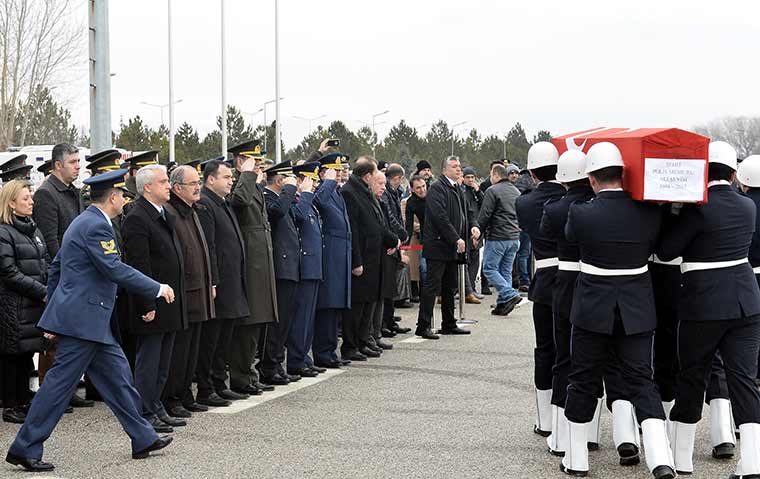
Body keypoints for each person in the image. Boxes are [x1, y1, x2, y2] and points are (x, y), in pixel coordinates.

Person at [6, 169, 176, 472]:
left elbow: (57, 268)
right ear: (113, 197)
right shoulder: (97, 226)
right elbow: (114, 269)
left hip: (87, 320)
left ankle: (142, 437)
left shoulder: (84, 222)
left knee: (119, 379)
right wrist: (156, 287)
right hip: (84, 322)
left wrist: (55, 312)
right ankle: (25, 447)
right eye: (122, 195)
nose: (125, 200)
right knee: (58, 387)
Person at [561, 142, 674, 479]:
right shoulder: (650, 211)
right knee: (642, 381)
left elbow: (569, 238)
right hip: (637, 307)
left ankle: (577, 459)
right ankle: (660, 459)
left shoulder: (581, 212)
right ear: (623, 174)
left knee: (583, 379)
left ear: (592, 179)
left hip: (592, 308)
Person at [658, 141, 760, 478]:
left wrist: (672, 212)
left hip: (702, 304)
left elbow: (668, 250)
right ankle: (754, 463)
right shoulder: (747, 205)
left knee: (692, 376)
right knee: (744, 380)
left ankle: (683, 459)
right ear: (733, 174)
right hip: (746, 302)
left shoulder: (695, 209)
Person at [122, 164, 187, 430]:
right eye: (163, 182)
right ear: (147, 187)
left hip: (169, 299)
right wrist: (147, 302)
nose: (168, 186)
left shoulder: (161, 213)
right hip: (152, 301)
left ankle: (156, 405)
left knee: (163, 362)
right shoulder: (138, 217)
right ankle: (145, 412)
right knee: (149, 362)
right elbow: (139, 265)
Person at [31, 143, 90, 408]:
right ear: (58, 165)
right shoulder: (47, 194)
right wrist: (67, 271)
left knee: (70, 336)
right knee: (54, 336)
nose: (78, 166)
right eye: (73, 162)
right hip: (62, 274)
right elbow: (50, 239)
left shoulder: (73, 191)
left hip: (76, 272)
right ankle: (50, 392)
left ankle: (65, 389)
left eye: (78, 161)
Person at [516, 142, 566, 437]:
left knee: (545, 348)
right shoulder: (570, 197)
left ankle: (546, 420)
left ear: (532, 172)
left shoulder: (525, 202)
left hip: (547, 278)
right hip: (577, 278)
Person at [196, 160, 254, 400]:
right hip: (219, 284)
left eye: (232, 177)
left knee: (224, 338)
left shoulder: (222, 202)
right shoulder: (205, 204)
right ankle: (206, 388)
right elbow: (209, 246)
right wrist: (213, 282)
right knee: (212, 338)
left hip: (232, 281)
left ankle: (219, 383)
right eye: (227, 177)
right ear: (211, 179)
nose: (231, 180)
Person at [162, 166, 217, 411]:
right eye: (193, 183)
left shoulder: (192, 210)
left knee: (193, 348)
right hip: (184, 292)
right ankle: (172, 398)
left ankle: (185, 395)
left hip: (199, 291)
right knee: (180, 350)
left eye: (199, 182)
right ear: (177, 188)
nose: (198, 187)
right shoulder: (171, 211)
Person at [228, 140, 277, 395]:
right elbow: (239, 202)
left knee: (259, 323)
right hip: (250, 264)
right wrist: (246, 173)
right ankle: (241, 376)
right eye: (252, 161)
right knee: (248, 324)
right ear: (240, 161)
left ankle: (251, 373)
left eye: (258, 161)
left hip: (261, 263)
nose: (258, 165)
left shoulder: (253, 183)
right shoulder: (238, 182)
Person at [415, 155, 480, 340]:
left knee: (450, 287)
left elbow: (468, 212)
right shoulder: (437, 188)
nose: (459, 169)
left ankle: (449, 323)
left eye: (459, 166)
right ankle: (423, 325)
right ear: (444, 170)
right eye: (454, 166)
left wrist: (473, 226)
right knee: (432, 287)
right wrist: (456, 238)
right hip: (438, 245)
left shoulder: (458, 188)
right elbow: (439, 217)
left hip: (453, 247)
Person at [0, 181, 48, 424]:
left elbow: (44, 262)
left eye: (31, 198)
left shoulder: (33, 230)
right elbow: (8, 271)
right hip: (13, 305)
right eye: (26, 198)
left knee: (26, 353)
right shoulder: (3, 232)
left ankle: (24, 400)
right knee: (12, 356)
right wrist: (41, 290)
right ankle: (11, 405)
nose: (31, 202)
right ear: (11, 203)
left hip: (32, 304)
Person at [341, 158, 399, 359]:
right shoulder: (349, 192)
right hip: (362, 259)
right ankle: (351, 345)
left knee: (367, 304)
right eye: (376, 176)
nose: (377, 181)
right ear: (367, 176)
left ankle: (363, 340)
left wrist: (392, 240)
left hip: (373, 257)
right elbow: (353, 231)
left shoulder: (363, 192)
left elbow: (376, 224)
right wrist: (356, 261)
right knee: (357, 306)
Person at [261, 161, 304, 384]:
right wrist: (289, 190)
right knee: (276, 322)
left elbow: (297, 217)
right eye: (288, 179)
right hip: (279, 267)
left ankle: (277, 362)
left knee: (285, 320)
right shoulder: (268, 199)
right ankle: (269, 364)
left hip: (290, 266)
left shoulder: (283, 199)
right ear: (279, 180)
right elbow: (276, 213)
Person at [313, 153, 353, 368]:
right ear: (323, 173)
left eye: (339, 171)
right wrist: (327, 181)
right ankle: (322, 352)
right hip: (329, 257)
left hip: (340, 257)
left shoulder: (336, 192)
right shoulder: (323, 190)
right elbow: (318, 201)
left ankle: (330, 350)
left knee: (335, 305)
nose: (339, 175)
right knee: (327, 306)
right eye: (334, 171)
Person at [287, 162, 326, 377]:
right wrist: (305, 193)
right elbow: (299, 218)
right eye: (310, 180)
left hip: (313, 266)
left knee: (308, 317)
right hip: (303, 266)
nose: (314, 184)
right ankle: (295, 359)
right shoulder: (296, 200)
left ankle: (304, 356)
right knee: (300, 317)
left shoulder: (307, 201)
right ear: (300, 180)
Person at [478, 164, 522, 316]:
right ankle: (502, 304)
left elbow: (485, 215)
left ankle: (509, 294)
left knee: (489, 268)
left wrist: (478, 232)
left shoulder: (492, 190)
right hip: (514, 237)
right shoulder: (516, 191)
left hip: (498, 236)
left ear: (496, 175)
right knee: (505, 270)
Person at [462, 166, 484, 303]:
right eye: (468, 177)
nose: (470, 180)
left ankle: (472, 288)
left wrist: (478, 191)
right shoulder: (462, 192)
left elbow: (484, 204)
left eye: (472, 177)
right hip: (467, 229)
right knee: (467, 259)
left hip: (477, 228)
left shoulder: (476, 191)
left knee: (475, 259)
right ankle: (466, 289)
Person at [405, 174, 427, 301]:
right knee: (423, 268)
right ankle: (424, 296)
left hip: (441, 237)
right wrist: (405, 245)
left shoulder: (433, 196)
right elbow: (408, 226)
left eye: (423, 186)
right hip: (425, 239)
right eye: (418, 188)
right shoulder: (411, 202)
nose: (422, 190)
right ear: (412, 189)